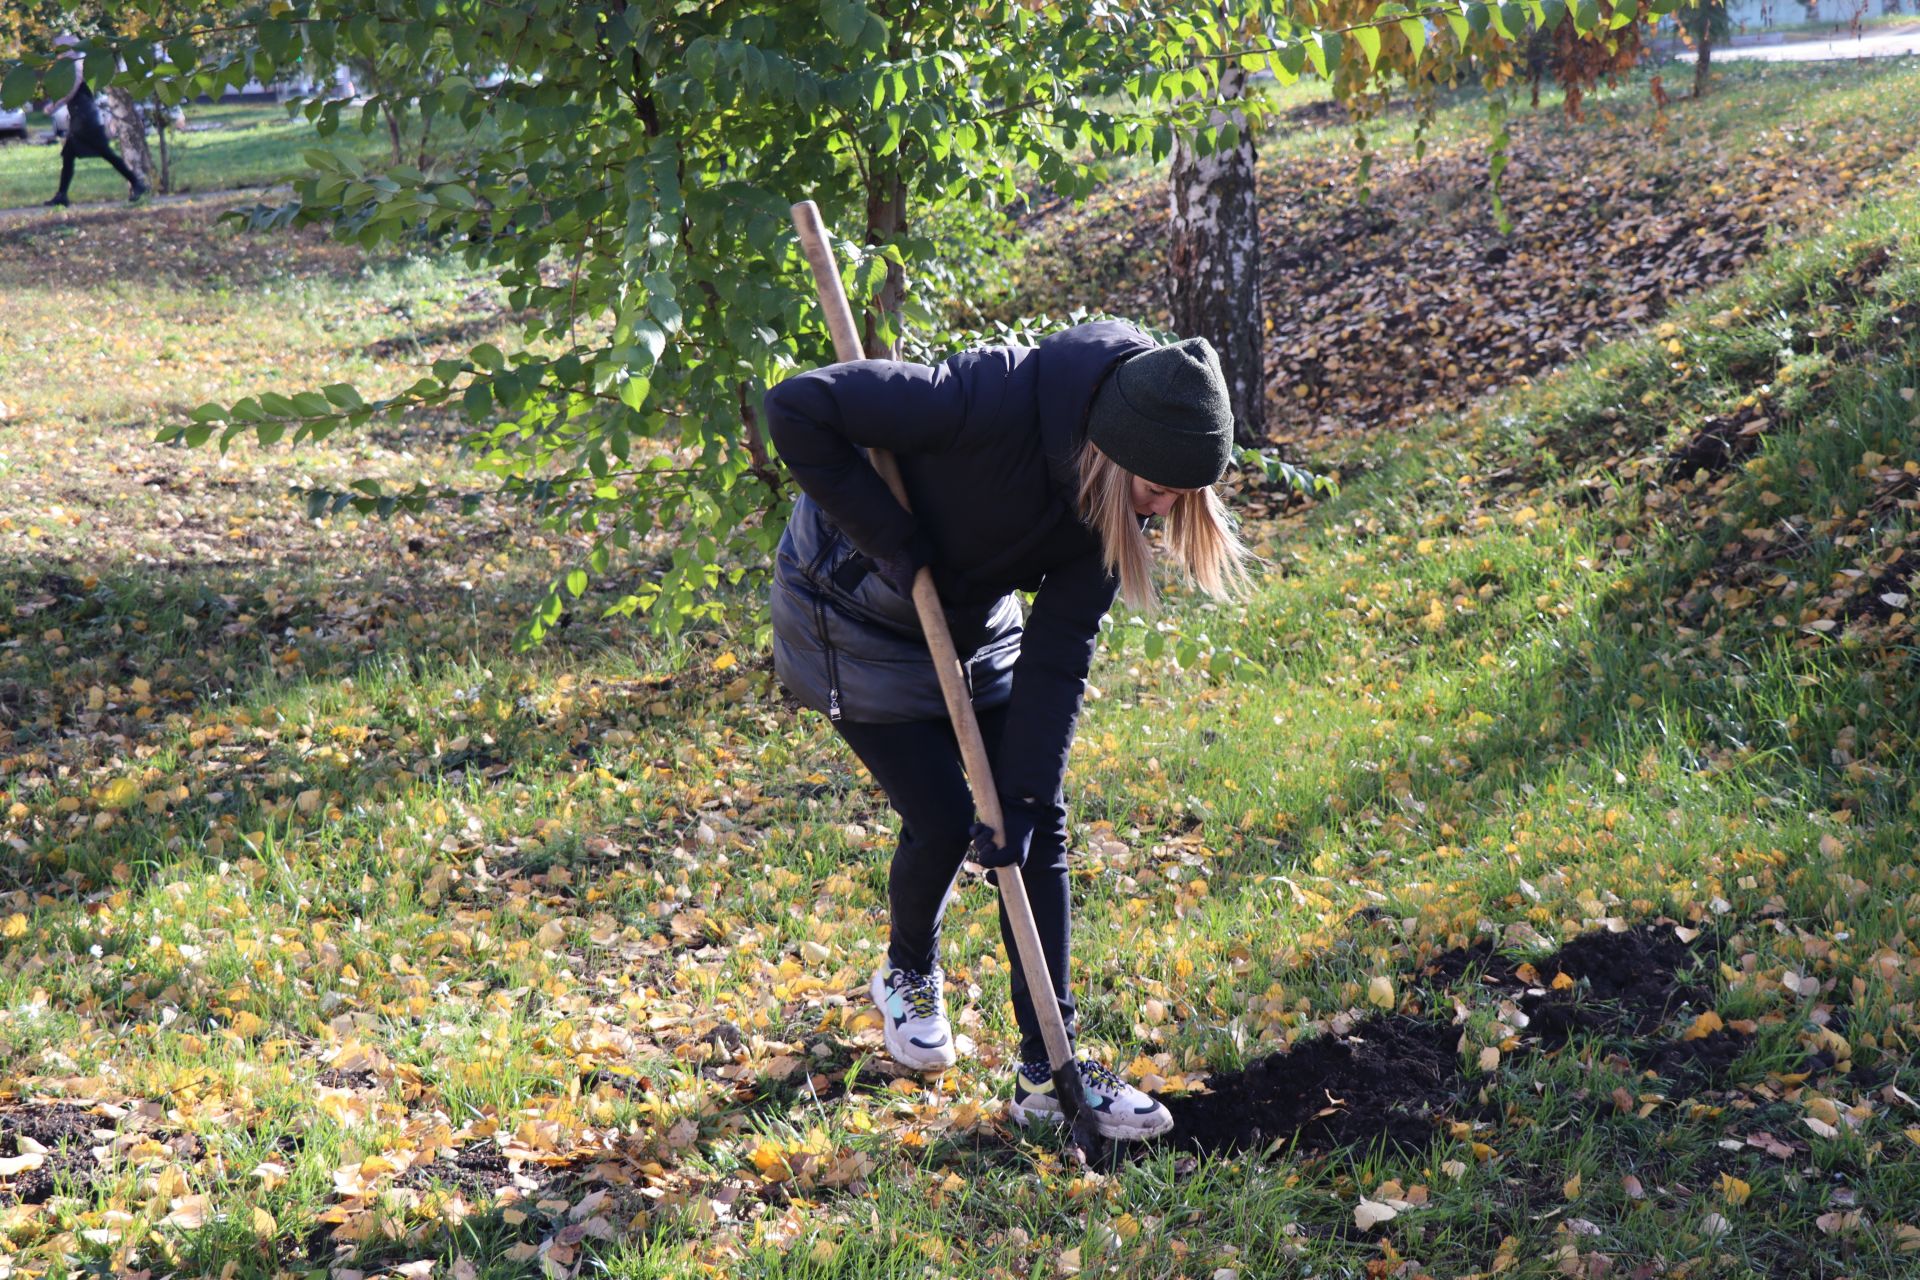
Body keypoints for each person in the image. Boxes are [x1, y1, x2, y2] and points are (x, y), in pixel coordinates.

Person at [764, 320, 1251, 1141]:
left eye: (1181, 497)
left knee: (1032, 822)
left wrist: (1022, 799)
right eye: (1160, 489)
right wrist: (894, 541)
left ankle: (1044, 1071)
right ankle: (908, 972)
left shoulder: (1109, 521)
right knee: (947, 820)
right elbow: (796, 409)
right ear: (1114, 446)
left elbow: (1057, 662)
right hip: (851, 612)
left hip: (969, 620)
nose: (1164, 512)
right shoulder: (983, 399)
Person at [44, 35, 148, 208]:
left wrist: (53, 106)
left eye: (59, 48)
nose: (57, 53)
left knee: (106, 154)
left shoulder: (77, 65)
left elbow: (71, 90)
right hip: (80, 118)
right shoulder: (71, 66)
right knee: (69, 155)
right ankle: (61, 195)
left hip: (87, 120)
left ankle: (137, 183)